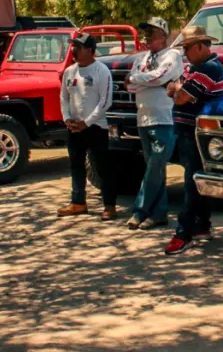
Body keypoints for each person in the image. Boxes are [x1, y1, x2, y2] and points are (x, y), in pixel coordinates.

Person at [164, 25, 223, 255]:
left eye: (188, 48)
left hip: (195, 134)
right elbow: (175, 88)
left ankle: (183, 233)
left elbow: (179, 96)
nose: (185, 53)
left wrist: (177, 89)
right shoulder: (196, 68)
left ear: (200, 46)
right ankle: (202, 225)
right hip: (185, 132)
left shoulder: (208, 69)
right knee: (194, 180)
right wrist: (177, 88)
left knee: (190, 184)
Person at [125, 17, 183, 231]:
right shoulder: (141, 58)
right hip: (143, 118)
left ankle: (140, 210)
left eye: (152, 32)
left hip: (164, 118)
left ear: (164, 35)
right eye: (146, 31)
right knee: (154, 169)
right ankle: (159, 214)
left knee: (155, 166)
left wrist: (139, 80)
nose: (147, 36)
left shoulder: (173, 56)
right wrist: (141, 80)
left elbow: (159, 77)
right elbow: (129, 84)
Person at [56, 33, 116, 221]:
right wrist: (67, 119)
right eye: (73, 46)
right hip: (74, 127)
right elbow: (64, 97)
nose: (74, 50)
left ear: (90, 50)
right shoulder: (69, 72)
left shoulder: (101, 71)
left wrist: (86, 122)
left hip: (95, 127)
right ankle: (78, 202)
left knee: (102, 167)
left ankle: (109, 206)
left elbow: (105, 102)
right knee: (76, 166)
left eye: (79, 47)